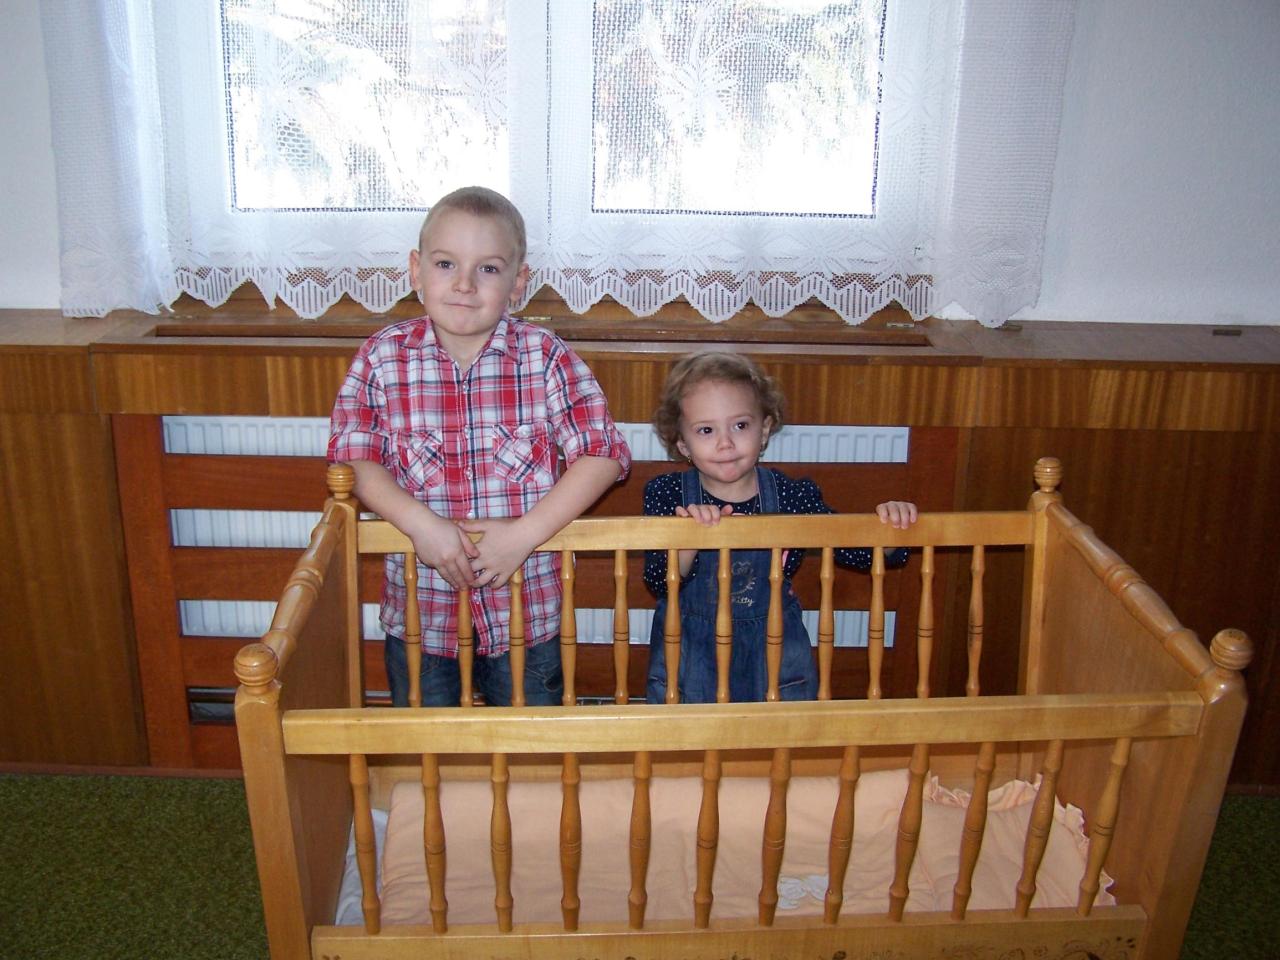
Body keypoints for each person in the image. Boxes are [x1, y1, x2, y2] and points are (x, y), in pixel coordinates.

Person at [328, 186, 631, 707]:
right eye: (446, 263)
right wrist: (421, 525)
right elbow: (353, 460)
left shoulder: (544, 356)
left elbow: (602, 454)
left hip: (527, 615)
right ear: (416, 270)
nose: (465, 284)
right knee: (428, 748)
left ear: (518, 283)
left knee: (530, 745)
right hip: (423, 617)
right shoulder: (382, 358)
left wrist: (523, 535)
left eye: (488, 269)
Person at [642, 351, 917, 704]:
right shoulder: (668, 495)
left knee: (781, 734)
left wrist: (891, 527)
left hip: (774, 655)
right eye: (706, 430)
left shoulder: (791, 495)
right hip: (692, 656)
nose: (725, 443)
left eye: (740, 426)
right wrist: (687, 540)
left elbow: (855, 550)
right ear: (683, 443)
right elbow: (657, 581)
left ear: (765, 428)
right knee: (690, 735)